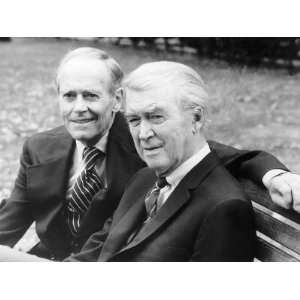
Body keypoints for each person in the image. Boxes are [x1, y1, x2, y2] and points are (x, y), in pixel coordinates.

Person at [0, 48, 299, 261]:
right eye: (69, 96)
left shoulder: (149, 153)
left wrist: (274, 174)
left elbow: (216, 155)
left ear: (115, 100)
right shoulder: (144, 177)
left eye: (91, 95)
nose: (143, 133)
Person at [65, 61, 256, 261]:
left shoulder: (224, 208)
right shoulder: (144, 178)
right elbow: (95, 253)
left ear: (196, 118)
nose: (143, 134)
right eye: (134, 120)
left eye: (156, 117)